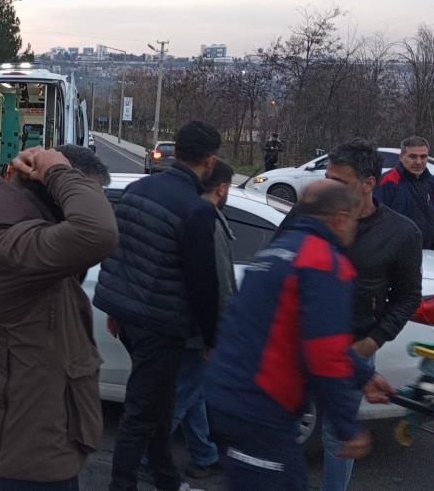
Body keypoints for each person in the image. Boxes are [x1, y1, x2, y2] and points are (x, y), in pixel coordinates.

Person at [205, 179, 393, 491]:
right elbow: (324, 355)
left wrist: (362, 375)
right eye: (355, 220)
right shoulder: (323, 262)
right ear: (341, 217)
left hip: (231, 396)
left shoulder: (277, 250)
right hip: (260, 404)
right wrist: (347, 427)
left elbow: (306, 334)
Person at [0, 144, 119, 490]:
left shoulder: (27, 236)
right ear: (55, 193)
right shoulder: (8, 250)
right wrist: (59, 171)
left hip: (36, 449)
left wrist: (57, 175)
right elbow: (98, 231)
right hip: (23, 465)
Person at [94, 121, 222, 491]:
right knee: (141, 413)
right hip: (160, 323)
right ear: (210, 160)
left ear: (176, 150)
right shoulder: (196, 210)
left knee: (159, 407)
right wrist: (211, 336)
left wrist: (116, 309)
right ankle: (122, 484)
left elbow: (118, 254)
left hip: (128, 316)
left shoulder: (138, 188)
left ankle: (167, 480)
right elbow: (203, 283)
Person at [315, 139, 423, 491]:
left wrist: (370, 342)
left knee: (337, 436)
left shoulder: (401, 233)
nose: (330, 189)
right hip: (302, 342)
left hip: (355, 347)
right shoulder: (311, 216)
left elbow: (407, 297)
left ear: (368, 183)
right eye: (327, 178)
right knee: (280, 429)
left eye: (340, 182)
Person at [145, 159, 236, 480]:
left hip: (182, 322)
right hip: (198, 329)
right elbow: (220, 283)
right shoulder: (206, 219)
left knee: (192, 394)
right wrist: (216, 335)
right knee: (182, 396)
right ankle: (147, 460)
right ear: (222, 188)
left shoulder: (187, 211)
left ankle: (203, 453)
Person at [375, 136, 434, 249]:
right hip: (397, 255)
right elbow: (376, 223)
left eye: (423, 156)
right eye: (413, 156)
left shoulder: (430, 182)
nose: (419, 161)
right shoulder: (388, 181)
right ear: (401, 157)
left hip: (427, 255)